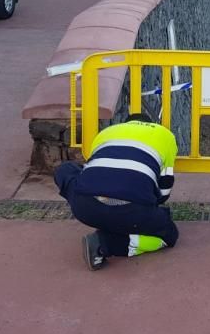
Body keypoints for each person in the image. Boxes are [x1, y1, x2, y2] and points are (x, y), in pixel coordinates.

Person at [54, 112, 178, 271]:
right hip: (132, 209)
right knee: (169, 235)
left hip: (85, 206)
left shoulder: (106, 132)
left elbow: (94, 168)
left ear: (125, 124)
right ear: (151, 124)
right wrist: (152, 207)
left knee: (66, 169)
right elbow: (164, 190)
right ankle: (104, 244)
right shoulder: (165, 135)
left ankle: (110, 218)